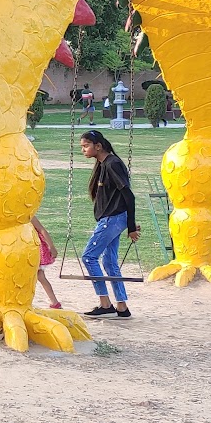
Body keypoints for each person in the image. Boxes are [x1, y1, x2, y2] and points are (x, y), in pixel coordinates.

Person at [79, 130, 139, 319]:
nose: (83, 150)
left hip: (112, 219)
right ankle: (122, 307)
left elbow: (128, 195)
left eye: (86, 146)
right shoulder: (103, 164)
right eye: (82, 146)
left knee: (89, 257)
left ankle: (105, 304)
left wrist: (130, 226)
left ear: (98, 146)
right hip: (113, 219)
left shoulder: (112, 164)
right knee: (109, 261)